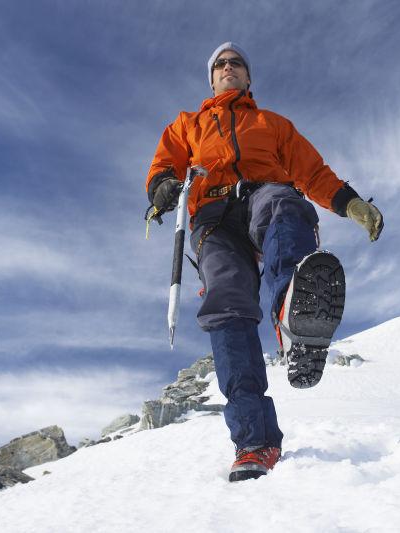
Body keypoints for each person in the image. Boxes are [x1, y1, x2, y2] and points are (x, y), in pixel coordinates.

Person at [145, 42, 383, 482]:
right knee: (226, 304)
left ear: (248, 77)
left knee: (284, 204)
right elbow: (165, 164)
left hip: (263, 192)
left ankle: (294, 313)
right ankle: (255, 442)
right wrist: (160, 186)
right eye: (220, 64)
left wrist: (349, 203)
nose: (228, 67)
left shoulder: (271, 124)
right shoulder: (188, 125)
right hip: (213, 214)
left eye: (236, 63)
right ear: (211, 78)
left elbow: (312, 172)